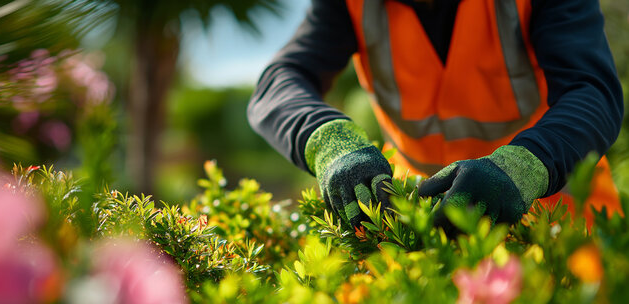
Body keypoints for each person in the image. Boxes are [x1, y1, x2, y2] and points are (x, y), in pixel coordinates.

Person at [247, 0, 624, 232]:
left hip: (558, 219)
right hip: (420, 222)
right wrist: (333, 144)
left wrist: (522, 167)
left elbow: (593, 91)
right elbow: (278, 83)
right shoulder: (348, 5)